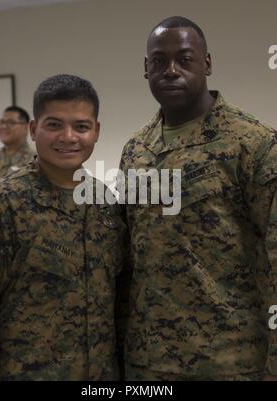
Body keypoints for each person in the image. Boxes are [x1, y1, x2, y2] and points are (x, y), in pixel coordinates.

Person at [119, 16, 277, 381]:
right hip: (148, 362)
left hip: (228, 360)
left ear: (207, 63)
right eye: (159, 61)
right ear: (146, 68)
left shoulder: (253, 144)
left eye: (185, 59)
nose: (171, 70)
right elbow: (128, 258)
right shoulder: (136, 150)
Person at [0, 74, 127, 380]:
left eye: (81, 126)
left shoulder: (107, 205)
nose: (68, 137)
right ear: (34, 129)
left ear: (96, 131)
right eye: (54, 124)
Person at [0, 106, 34, 185]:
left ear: (26, 127)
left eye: (11, 122)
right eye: (1, 122)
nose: (3, 126)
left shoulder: (36, 158)